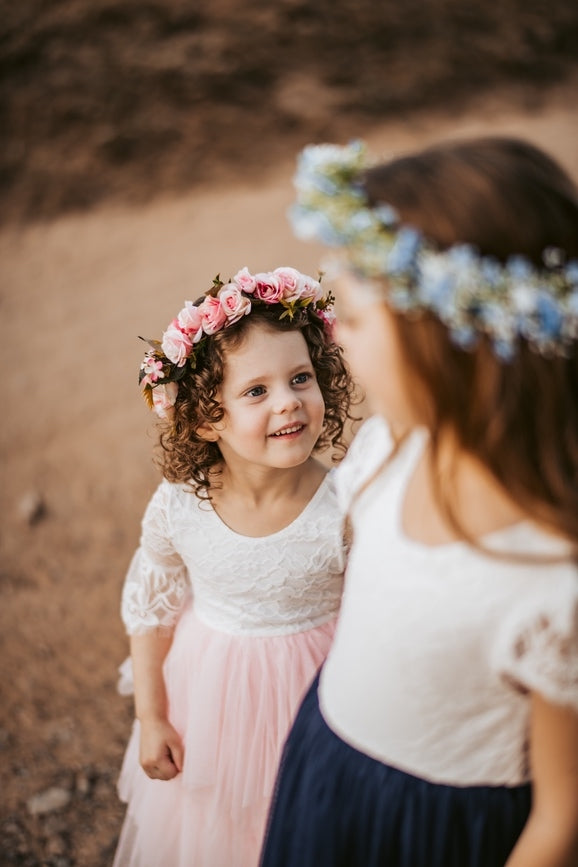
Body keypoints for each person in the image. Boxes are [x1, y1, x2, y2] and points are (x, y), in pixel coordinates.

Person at [260, 139, 578, 867]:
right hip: (329, 769)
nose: (331, 332)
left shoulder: (551, 579)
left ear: (453, 345)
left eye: (358, 318)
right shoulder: (389, 451)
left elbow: (563, 818)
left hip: (432, 832)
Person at [113, 266, 356, 867]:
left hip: (321, 704)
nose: (289, 402)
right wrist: (151, 715)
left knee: (309, 829)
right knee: (220, 828)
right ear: (204, 418)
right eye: (256, 391)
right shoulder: (181, 505)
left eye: (301, 377)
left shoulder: (346, 508)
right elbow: (153, 602)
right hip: (211, 699)